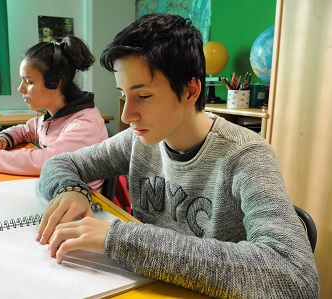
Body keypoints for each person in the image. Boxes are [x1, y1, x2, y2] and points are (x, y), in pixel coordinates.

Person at [36, 14, 319, 298]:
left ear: (190, 90)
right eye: (123, 94)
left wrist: (120, 239)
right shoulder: (140, 139)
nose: (126, 115)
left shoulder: (246, 155)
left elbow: (296, 277)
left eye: (143, 96)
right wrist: (70, 190)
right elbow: (60, 163)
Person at [0, 36, 108, 190]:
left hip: (82, 201)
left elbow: (47, 161)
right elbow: (27, 129)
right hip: (57, 189)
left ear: (54, 82)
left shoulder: (84, 123)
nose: (20, 89)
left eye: (29, 82)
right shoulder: (55, 115)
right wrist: (1, 142)